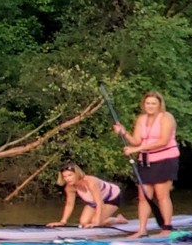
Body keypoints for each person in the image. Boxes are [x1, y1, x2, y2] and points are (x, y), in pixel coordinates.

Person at [112, 90, 179, 234]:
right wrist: (124, 132)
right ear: (144, 104)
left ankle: (166, 228)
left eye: (153, 103)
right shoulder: (141, 119)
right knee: (143, 197)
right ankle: (142, 230)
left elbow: (163, 141)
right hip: (146, 161)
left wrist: (138, 149)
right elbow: (136, 141)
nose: (150, 106)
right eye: (148, 103)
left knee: (162, 195)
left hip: (165, 159)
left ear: (159, 105)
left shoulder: (166, 118)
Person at [50, 163, 125, 228]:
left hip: (111, 198)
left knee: (95, 221)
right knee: (84, 222)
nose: (67, 179)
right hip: (93, 202)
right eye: (65, 177)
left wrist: (97, 223)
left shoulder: (90, 182)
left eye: (70, 175)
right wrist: (63, 221)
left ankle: (118, 220)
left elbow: (99, 202)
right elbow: (69, 205)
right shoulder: (69, 188)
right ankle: (111, 219)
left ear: (77, 174)